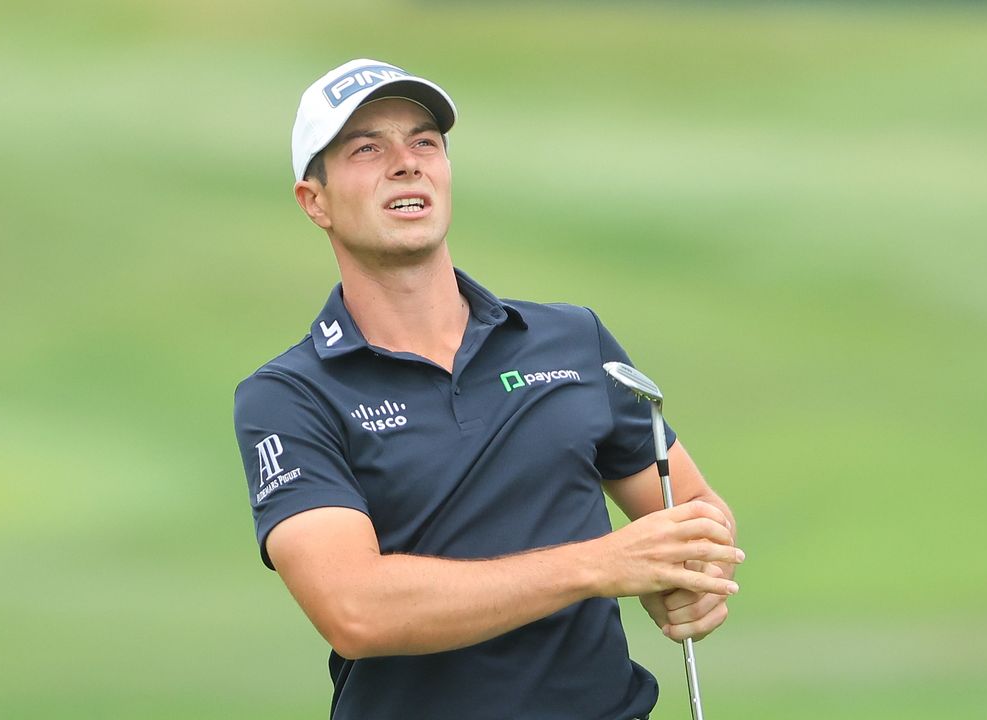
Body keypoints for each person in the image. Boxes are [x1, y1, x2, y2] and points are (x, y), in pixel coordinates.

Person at [232, 58, 742, 720]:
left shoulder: (570, 340)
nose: (406, 163)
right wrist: (603, 565)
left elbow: (693, 511)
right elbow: (354, 608)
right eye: (366, 148)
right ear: (315, 201)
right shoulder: (290, 397)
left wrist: (690, 576)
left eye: (424, 142)